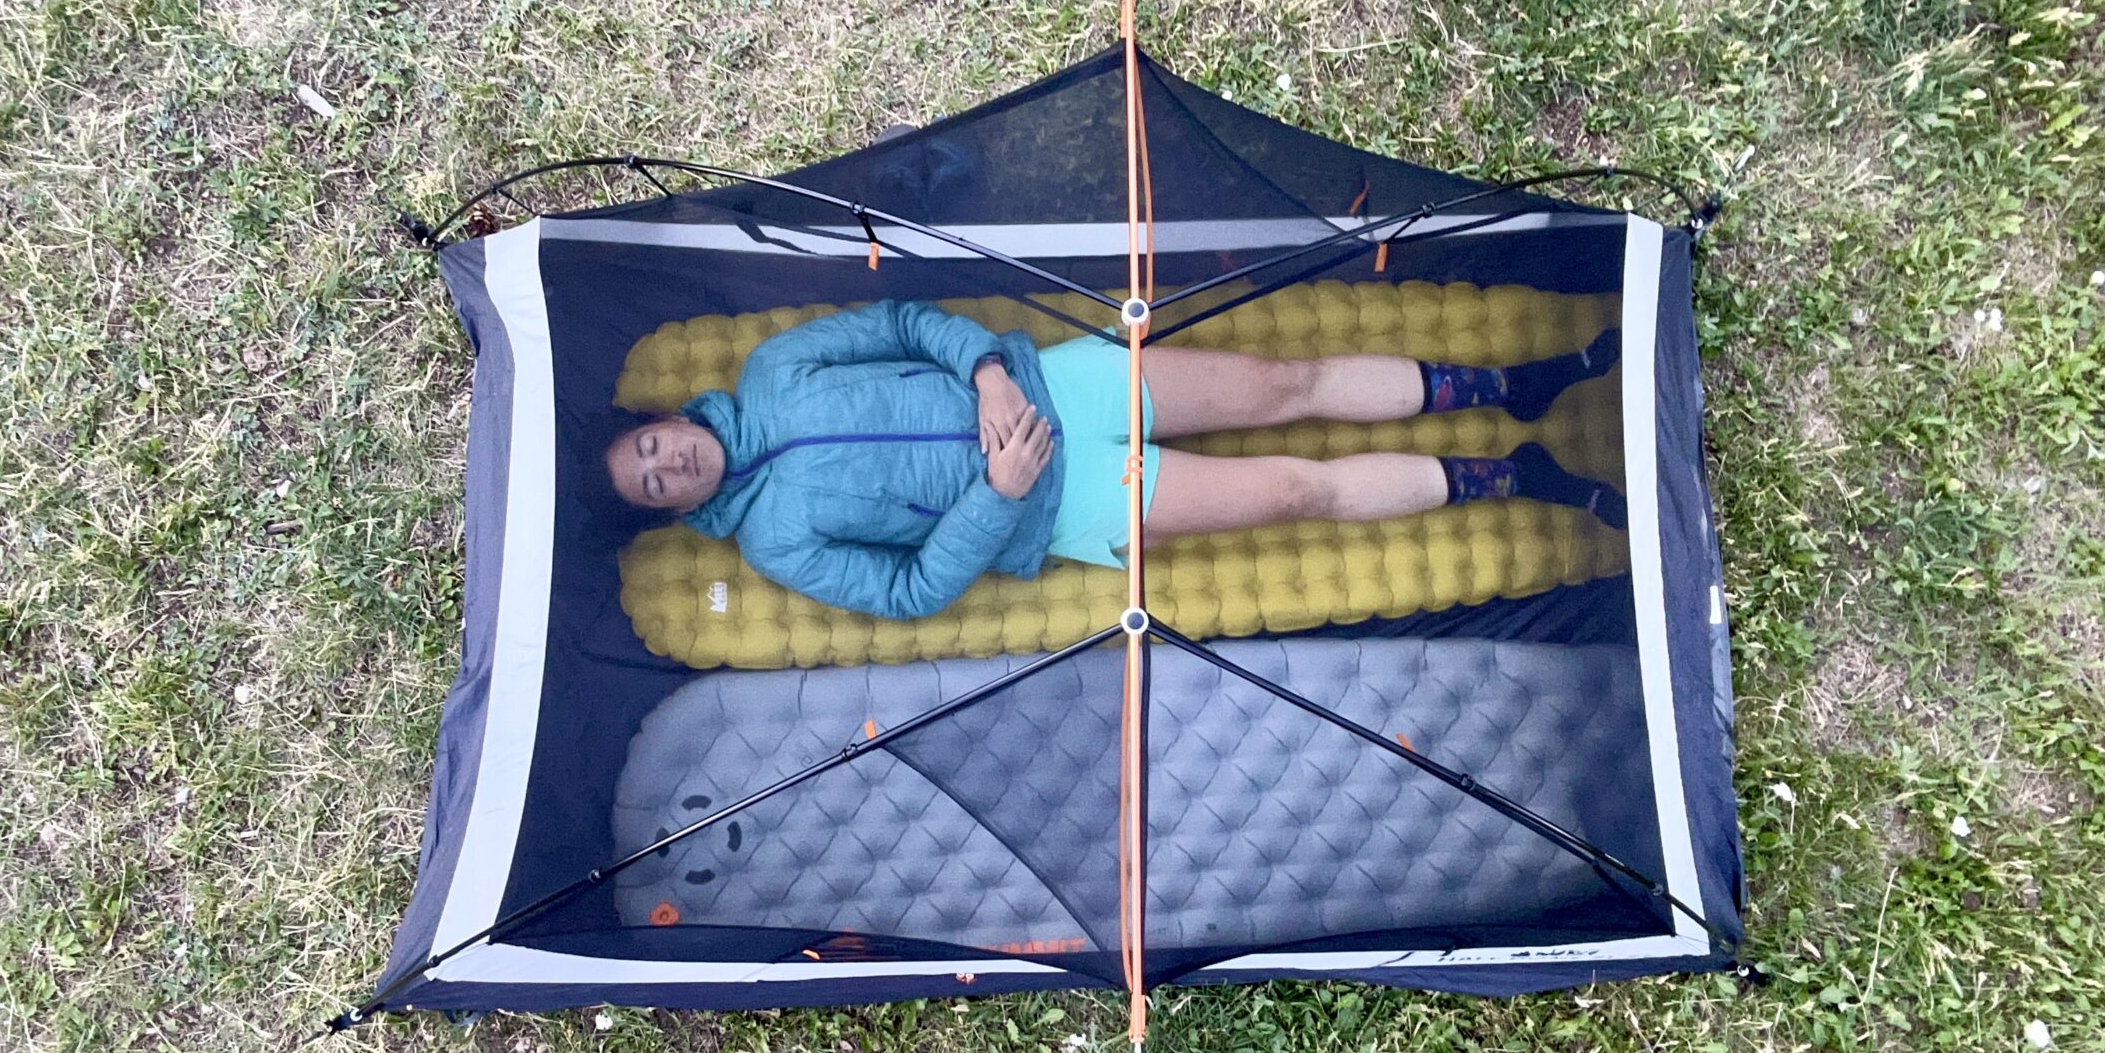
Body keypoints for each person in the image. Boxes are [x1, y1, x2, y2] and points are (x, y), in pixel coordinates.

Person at [598, 299, 1625, 622]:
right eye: (652, 484)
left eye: (649, 444)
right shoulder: (776, 542)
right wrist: (996, 497)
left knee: (1280, 384)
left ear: (660, 418)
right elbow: (912, 590)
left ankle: (1513, 387)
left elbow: (911, 321)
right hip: (1064, 502)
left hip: (1060, 388)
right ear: (665, 508)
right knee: (1290, 489)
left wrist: (992, 374)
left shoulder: (777, 364)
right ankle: (1514, 478)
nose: (665, 464)